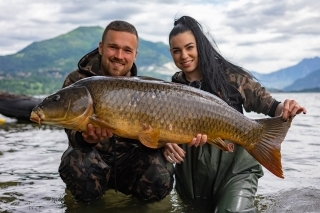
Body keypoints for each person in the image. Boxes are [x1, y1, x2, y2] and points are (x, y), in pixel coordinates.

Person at [162, 16, 307, 212]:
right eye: (176, 51)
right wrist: (166, 141)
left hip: (235, 170)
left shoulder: (231, 77)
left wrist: (287, 108)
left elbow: (271, 106)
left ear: (200, 46)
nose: (184, 55)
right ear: (171, 53)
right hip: (192, 177)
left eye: (189, 47)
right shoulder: (171, 90)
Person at [58, 20, 181, 204]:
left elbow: (148, 136)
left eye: (127, 50)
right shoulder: (78, 82)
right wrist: (86, 138)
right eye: (113, 47)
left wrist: (162, 139)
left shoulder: (145, 89)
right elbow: (71, 132)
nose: (119, 55)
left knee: (159, 168)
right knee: (75, 160)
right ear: (101, 47)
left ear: (135, 55)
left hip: (129, 164)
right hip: (93, 162)